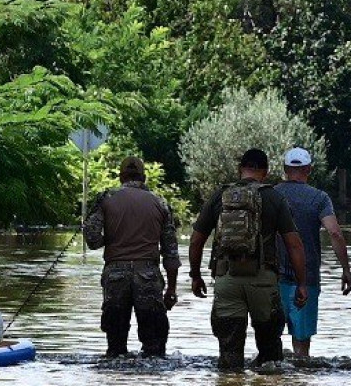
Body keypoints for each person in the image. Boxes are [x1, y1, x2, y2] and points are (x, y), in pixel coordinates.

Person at [188, 148, 310, 370]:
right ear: (265, 171)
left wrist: (195, 276)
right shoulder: (274, 197)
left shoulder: (220, 195)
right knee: (270, 355)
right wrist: (301, 284)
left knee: (229, 354)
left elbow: (196, 241)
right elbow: (294, 244)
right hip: (262, 280)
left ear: (239, 169)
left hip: (226, 280)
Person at [81, 156, 180, 357]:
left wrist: (109, 238)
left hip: (115, 274)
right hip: (148, 275)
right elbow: (170, 251)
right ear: (144, 177)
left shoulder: (106, 198)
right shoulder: (160, 203)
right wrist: (171, 289)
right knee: (155, 350)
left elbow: (91, 239)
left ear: (121, 177)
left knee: (115, 348)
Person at [272, 147, 351, 358]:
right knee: (301, 347)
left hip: (272, 278)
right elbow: (335, 233)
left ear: (284, 169)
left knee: (271, 340)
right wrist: (346, 269)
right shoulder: (319, 198)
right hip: (306, 280)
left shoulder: (270, 195)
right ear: (309, 169)